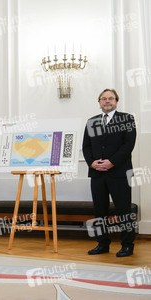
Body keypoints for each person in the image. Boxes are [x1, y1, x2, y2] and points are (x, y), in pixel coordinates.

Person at [82, 88, 136, 257]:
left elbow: (128, 145)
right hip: (97, 174)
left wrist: (111, 162)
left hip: (119, 173)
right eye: (104, 99)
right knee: (100, 211)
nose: (107, 101)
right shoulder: (92, 122)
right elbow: (86, 146)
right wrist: (92, 163)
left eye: (110, 98)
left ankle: (127, 245)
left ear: (116, 101)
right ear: (99, 102)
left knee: (124, 211)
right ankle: (102, 244)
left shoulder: (127, 119)